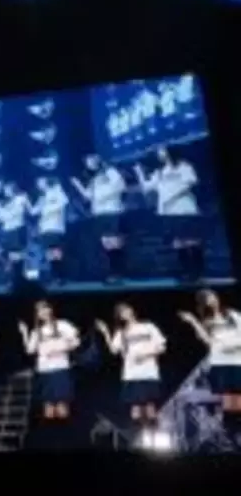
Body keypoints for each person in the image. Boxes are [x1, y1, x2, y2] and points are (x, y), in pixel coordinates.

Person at [179, 289, 241, 439]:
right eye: (206, 299)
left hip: (237, 359)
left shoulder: (232, 314)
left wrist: (235, 346)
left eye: (212, 297)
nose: (211, 301)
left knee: (238, 397)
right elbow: (207, 341)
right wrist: (193, 322)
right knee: (229, 399)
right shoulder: (207, 322)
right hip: (221, 361)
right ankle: (231, 432)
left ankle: (234, 428)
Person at [135, 146, 202, 280]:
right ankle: (186, 272)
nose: (159, 153)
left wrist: (171, 197)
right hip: (169, 211)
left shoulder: (183, 166)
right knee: (178, 243)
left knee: (191, 241)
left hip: (185, 208)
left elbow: (191, 182)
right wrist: (139, 172)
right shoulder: (159, 172)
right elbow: (146, 188)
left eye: (161, 150)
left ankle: (198, 272)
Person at [96, 303, 166, 428]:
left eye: (126, 309)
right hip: (131, 375)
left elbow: (162, 347)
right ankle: (138, 436)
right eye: (121, 312)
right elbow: (114, 350)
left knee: (150, 409)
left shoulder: (148, 327)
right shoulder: (121, 332)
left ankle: (155, 435)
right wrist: (105, 332)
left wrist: (146, 354)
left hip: (149, 373)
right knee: (135, 411)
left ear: (132, 310)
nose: (125, 313)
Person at [19, 301, 79, 422]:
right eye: (39, 311)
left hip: (60, 369)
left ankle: (65, 432)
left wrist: (61, 348)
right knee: (48, 411)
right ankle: (50, 432)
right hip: (44, 371)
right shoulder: (37, 331)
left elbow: (76, 341)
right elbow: (30, 350)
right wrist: (24, 333)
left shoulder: (63, 325)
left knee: (62, 410)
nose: (43, 312)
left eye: (45, 308)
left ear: (51, 309)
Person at [71, 155, 127, 282]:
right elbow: (88, 196)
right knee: (106, 243)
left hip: (112, 210)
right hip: (99, 213)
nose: (88, 164)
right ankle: (112, 272)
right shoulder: (94, 178)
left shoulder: (110, 171)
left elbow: (121, 186)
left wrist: (103, 197)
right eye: (87, 162)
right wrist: (77, 184)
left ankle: (117, 272)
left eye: (90, 161)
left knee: (114, 242)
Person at [29, 178, 69, 283]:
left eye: (40, 182)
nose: (38, 184)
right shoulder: (42, 198)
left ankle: (61, 276)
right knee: (49, 252)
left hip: (55, 226)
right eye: (38, 183)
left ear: (46, 182)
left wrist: (49, 211)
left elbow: (64, 202)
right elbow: (33, 211)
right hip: (45, 228)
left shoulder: (57, 191)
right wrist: (26, 202)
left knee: (56, 251)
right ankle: (55, 276)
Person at [0, 183, 30, 263]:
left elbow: (17, 212)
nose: (5, 191)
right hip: (8, 231)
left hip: (17, 229)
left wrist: (3, 212)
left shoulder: (20, 199)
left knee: (17, 255)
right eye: (5, 190)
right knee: (13, 256)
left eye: (7, 189)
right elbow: (1, 219)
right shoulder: (2, 202)